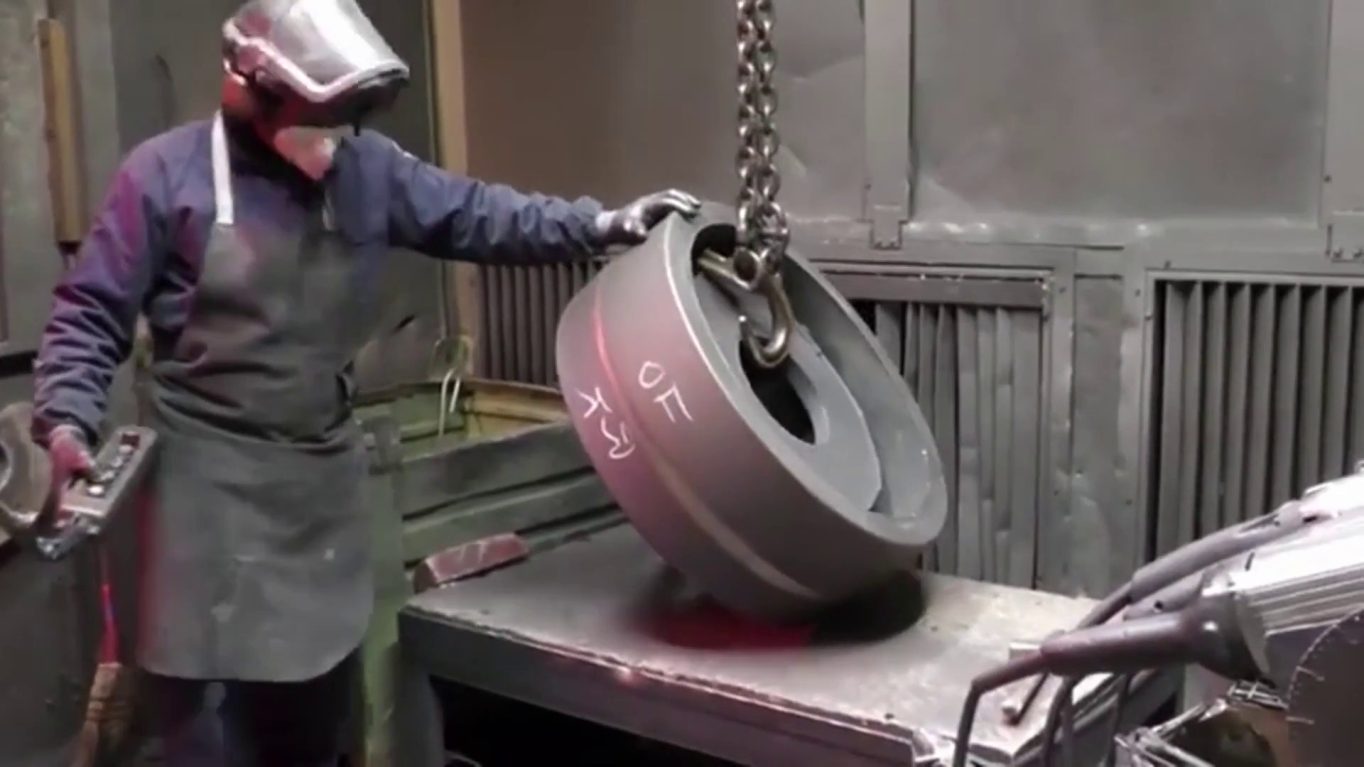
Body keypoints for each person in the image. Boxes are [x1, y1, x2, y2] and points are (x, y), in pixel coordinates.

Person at [30, 1, 700, 764]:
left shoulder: (365, 171)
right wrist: (66, 422)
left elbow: (478, 214)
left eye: (346, 119)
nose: (335, 137)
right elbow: (89, 313)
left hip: (317, 503)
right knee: (203, 741)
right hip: (201, 509)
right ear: (251, 89)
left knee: (314, 733)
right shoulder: (164, 175)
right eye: (320, 118)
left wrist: (602, 225)